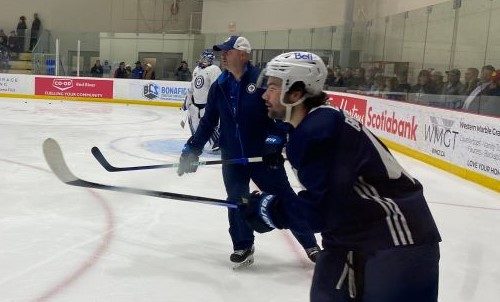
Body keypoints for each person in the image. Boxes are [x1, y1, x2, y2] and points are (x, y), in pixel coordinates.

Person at [241, 51, 441, 301]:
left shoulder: (320, 130)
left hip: (395, 240)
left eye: (272, 87)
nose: (264, 95)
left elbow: (321, 213)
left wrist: (269, 210)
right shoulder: (316, 123)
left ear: (296, 93)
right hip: (351, 239)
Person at [176, 36, 320, 268]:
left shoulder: (264, 81)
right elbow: (208, 122)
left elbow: (282, 116)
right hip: (232, 156)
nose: (222, 55)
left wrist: (275, 142)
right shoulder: (219, 86)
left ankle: (310, 244)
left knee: (285, 199)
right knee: (237, 200)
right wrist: (192, 149)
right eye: (221, 52)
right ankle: (243, 245)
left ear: (243, 54)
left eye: (227, 51)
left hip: (263, 156)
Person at [181, 49, 222, 152]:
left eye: (205, 58)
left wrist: (215, 104)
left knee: (209, 124)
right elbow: (192, 87)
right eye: (202, 57)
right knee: (195, 127)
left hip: (207, 104)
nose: (202, 60)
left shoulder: (214, 69)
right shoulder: (196, 69)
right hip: (195, 104)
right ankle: (196, 142)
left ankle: (216, 142)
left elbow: (216, 88)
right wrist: (187, 100)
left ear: (210, 59)